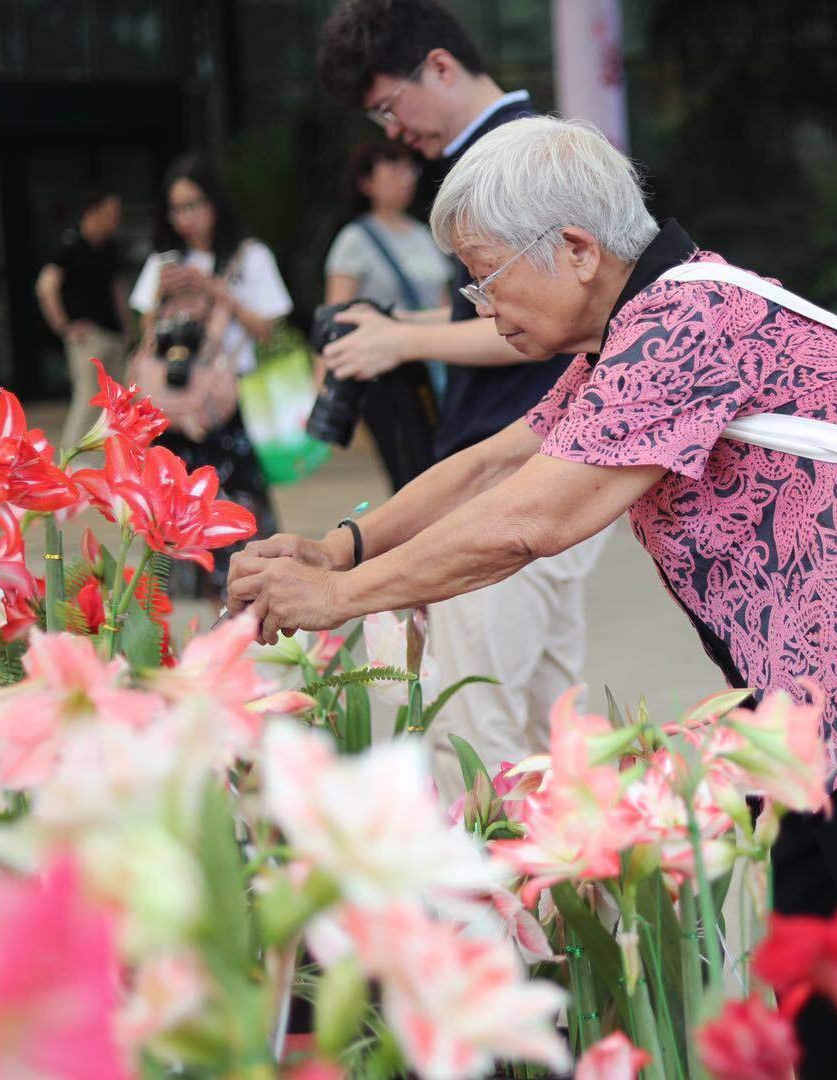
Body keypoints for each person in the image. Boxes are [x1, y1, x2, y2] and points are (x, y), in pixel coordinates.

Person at [227, 117, 837, 1077]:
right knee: (833, 1003)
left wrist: (342, 599)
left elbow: (532, 521)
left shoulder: (686, 322)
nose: (477, 304)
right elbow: (499, 461)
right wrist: (338, 547)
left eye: (485, 275)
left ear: (576, 250)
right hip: (826, 706)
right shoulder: (638, 327)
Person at [313, 0, 613, 799]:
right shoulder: (519, 147)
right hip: (538, 466)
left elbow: (537, 324)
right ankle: (595, 912)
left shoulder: (509, 159)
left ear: (439, 66)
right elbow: (494, 318)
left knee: (473, 739)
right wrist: (389, 326)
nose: (393, 133)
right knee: (554, 732)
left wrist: (400, 340)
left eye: (388, 107)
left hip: (519, 477)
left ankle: (503, 921)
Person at [129, 153, 292, 597]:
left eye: (194, 205)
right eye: (176, 208)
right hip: (174, 407)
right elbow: (145, 340)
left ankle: (244, 593)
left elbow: (267, 330)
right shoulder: (163, 263)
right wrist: (162, 294)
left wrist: (217, 292)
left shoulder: (248, 257)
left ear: (215, 203)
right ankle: (179, 595)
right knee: (172, 507)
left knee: (233, 501)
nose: (185, 218)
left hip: (226, 402)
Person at [323, 138, 453, 489]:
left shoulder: (423, 234)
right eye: (393, 168)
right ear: (366, 182)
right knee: (410, 470)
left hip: (435, 365)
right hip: (386, 377)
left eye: (408, 167)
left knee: (444, 467)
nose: (406, 176)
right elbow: (337, 316)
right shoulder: (354, 239)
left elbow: (446, 306)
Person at [35, 188, 131, 451]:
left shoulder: (110, 248)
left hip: (114, 336)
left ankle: (107, 458)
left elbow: (117, 290)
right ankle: (70, 461)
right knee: (89, 398)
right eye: (111, 214)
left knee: (117, 402)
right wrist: (64, 327)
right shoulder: (69, 245)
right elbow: (46, 286)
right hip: (88, 337)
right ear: (94, 212)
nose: (115, 220)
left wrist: (127, 328)